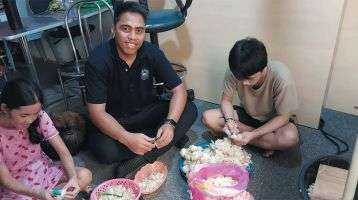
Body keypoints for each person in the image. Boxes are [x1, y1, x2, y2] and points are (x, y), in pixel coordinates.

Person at [85, 1, 197, 177]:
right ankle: (164, 141)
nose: (132, 37)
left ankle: (141, 157)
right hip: (116, 121)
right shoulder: (98, 60)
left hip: (146, 112)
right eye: (125, 29)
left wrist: (169, 123)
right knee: (104, 150)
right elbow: (97, 113)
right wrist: (126, 138)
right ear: (114, 29)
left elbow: (178, 90)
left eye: (139, 30)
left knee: (190, 109)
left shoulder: (152, 52)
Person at [202, 37, 299, 157]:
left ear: (263, 69)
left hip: (273, 120)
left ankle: (245, 139)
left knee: (290, 137)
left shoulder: (281, 77)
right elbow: (226, 101)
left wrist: (253, 134)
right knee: (208, 117)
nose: (244, 83)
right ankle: (265, 143)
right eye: (240, 78)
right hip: (248, 115)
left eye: (250, 78)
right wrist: (230, 121)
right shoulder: (235, 72)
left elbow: (283, 117)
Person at [0, 78, 92, 200]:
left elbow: (63, 152)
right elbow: (6, 180)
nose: (30, 120)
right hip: (18, 187)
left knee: (84, 175)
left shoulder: (40, 116)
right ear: (5, 109)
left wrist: (73, 179)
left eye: (35, 113)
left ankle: (55, 195)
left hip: (44, 172)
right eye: (24, 115)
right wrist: (38, 193)